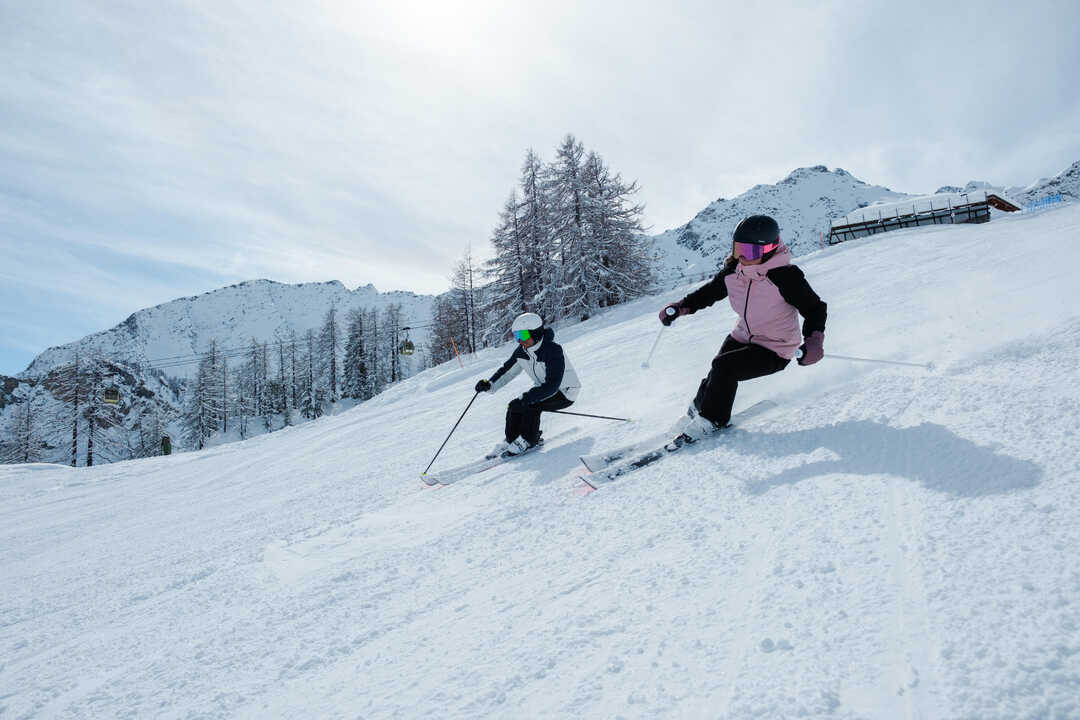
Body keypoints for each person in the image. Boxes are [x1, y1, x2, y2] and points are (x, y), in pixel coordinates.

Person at [659, 214, 827, 443]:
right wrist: (680, 307)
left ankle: (713, 420)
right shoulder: (734, 272)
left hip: (776, 348)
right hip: (744, 335)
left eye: (751, 253)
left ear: (769, 249)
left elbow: (815, 308)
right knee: (716, 369)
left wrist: (814, 341)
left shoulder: (785, 277)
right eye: (739, 250)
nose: (743, 258)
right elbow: (709, 293)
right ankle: (697, 412)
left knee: (724, 367)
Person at [474, 312, 582, 458]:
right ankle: (512, 439)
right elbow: (507, 372)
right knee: (514, 405)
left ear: (536, 333)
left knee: (531, 405)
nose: (520, 341)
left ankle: (529, 440)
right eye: (517, 336)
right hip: (543, 390)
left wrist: (527, 399)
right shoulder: (522, 352)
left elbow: (552, 385)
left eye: (523, 335)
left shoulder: (552, 350)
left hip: (565, 392)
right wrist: (489, 384)